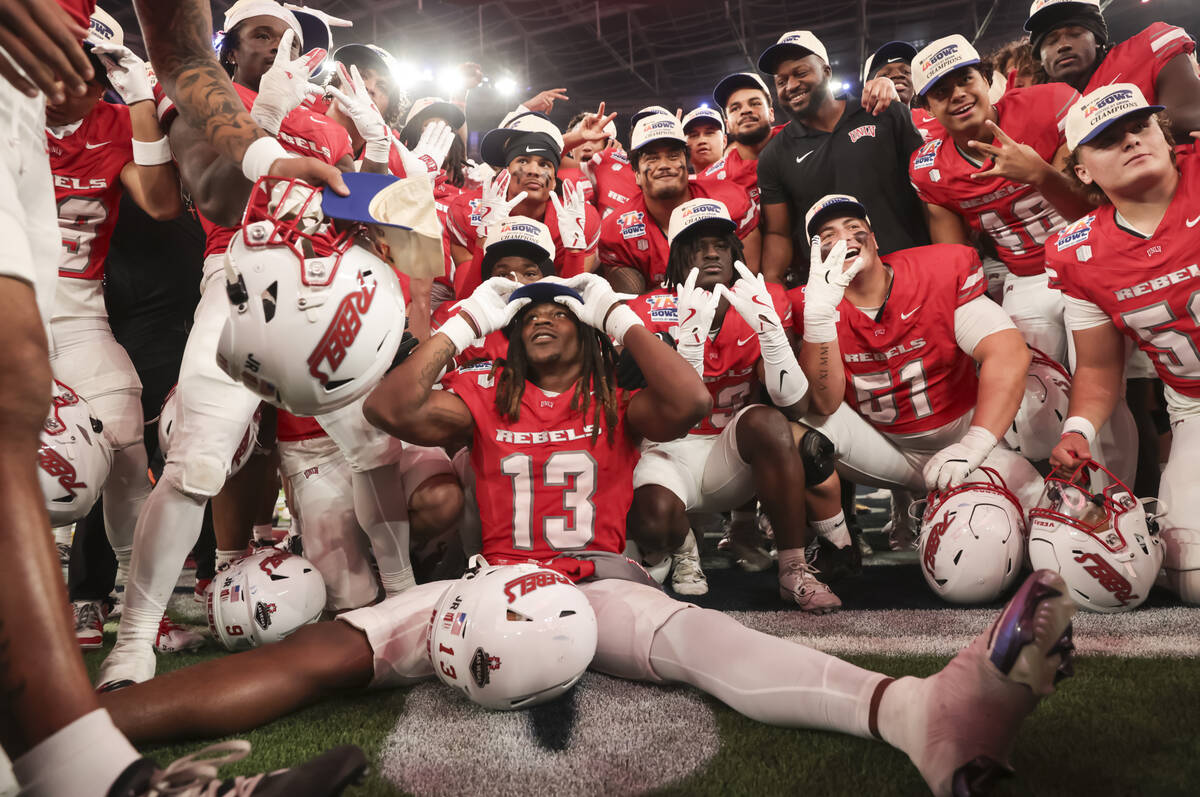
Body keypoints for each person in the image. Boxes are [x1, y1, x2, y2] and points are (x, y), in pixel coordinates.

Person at [92, 274, 1078, 797]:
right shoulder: (476, 391)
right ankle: (88, 733)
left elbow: (692, 399)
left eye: (561, 311)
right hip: (486, 582)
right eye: (530, 314)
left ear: (588, 329)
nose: (544, 319)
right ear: (509, 333)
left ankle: (918, 715)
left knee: (701, 642)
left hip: (596, 584)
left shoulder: (614, 390)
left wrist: (610, 302)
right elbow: (394, 405)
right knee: (328, 648)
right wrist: (470, 313)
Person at [0, 0, 363, 791]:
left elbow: (181, 51)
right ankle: (127, 649)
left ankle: (86, 771)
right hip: (232, 277)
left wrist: (266, 157)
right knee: (175, 447)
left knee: (14, 379)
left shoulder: (330, 107)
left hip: (18, 105)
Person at [791, 194, 1047, 587]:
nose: (844, 237)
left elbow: (1008, 352)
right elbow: (824, 403)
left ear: (875, 240)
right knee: (793, 430)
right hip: (885, 448)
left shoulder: (935, 273)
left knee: (1041, 513)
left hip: (963, 441)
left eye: (854, 227)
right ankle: (837, 545)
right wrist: (821, 318)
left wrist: (974, 444)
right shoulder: (811, 304)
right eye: (828, 234)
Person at [626, 199, 847, 608]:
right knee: (652, 528)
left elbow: (796, 407)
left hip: (731, 458)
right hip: (667, 455)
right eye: (698, 245)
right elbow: (633, 418)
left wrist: (773, 337)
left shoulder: (762, 302)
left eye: (722, 245)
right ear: (676, 255)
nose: (712, 253)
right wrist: (686, 353)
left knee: (769, 422)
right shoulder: (644, 312)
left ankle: (793, 566)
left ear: (735, 252)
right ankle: (679, 542)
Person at [46, 7, 187, 649]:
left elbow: (160, 204)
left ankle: (136, 612)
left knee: (128, 435)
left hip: (77, 312)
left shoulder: (111, 120)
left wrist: (139, 104)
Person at [1045, 83, 1200, 604]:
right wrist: (1079, 429)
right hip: (1195, 405)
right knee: (1194, 579)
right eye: (1109, 139)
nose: (1132, 140)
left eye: (1140, 126)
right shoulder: (1078, 251)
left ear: (1164, 131)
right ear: (1083, 169)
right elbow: (1097, 365)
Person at [908, 34, 1089, 366]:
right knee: (1033, 399)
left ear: (987, 79)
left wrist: (1041, 175)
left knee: (1102, 384)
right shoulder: (929, 168)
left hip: (1088, 260)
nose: (958, 95)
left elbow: (1095, 211)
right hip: (1025, 279)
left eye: (965, 79)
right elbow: (956, 260)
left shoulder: (1049, 103)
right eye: (941, 92)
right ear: (927, 108)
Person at [755, 29, 929, 284]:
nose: (791, 85)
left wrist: (947, 255)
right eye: (781, 81)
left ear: (826, 71)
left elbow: (927, 194)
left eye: (801, 73)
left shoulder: (884, 112)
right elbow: (778, 233)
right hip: (837, 289)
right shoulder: (774, 155)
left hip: (912, 269)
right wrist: (771, 287)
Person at [599, 114, 759, 294]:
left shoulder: (730, 199)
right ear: (636, 174)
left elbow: (750, 283)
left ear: (686, 162)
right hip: (659, 319)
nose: (664, 165)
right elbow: (630, 308)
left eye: (673, 156)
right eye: (652, 158)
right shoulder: (617, 229)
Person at [446, 110, 601, 294]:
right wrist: (483, 238)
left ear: (553, 181)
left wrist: (574, 250)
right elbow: (466, 302)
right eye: (523, 160)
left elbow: (570, 308)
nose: (533, 171)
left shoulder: (580, 219)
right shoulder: (468, 211)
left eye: (544, 164)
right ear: (505, 171)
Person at [1025, 0, 1200, 137]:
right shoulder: (1043, 109)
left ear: (1098, 39)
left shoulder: (1146, 50)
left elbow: (1191, 116)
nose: (1063, 45)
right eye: (1051, 41)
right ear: (1040, 58)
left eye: (1075, 34)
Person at [861, 40, 943, 142]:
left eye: (907, 71)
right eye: (884, 75)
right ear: (868, 85)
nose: (898, 75)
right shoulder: (857, 127)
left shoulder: (937, 116)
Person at [681, 107, 726, 172]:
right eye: (694, 135)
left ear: (724, 141)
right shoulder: (676, 182)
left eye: (709, 133)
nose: (702, 140)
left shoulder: (743, 179)